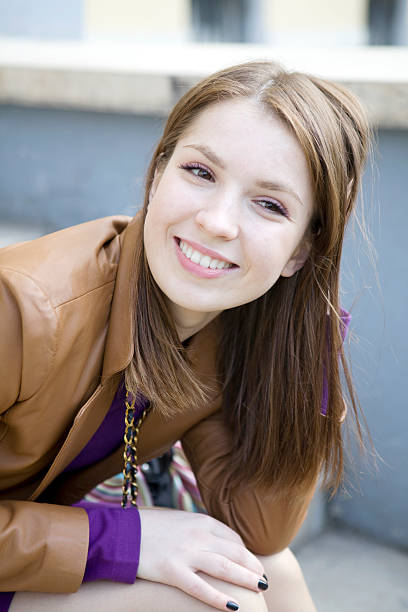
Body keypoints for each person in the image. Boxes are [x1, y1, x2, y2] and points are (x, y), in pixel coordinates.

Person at [0, 60, 370, 612]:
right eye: (201, 173)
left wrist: (310, 346)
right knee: (212, 601)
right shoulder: (25, 308)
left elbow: (260, 530)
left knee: (269, 573)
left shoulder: (225, 330)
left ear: (300, 251)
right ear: (157, 174)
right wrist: (127, 539)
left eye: (269, 205)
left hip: (31, 547)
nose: (218, 222)